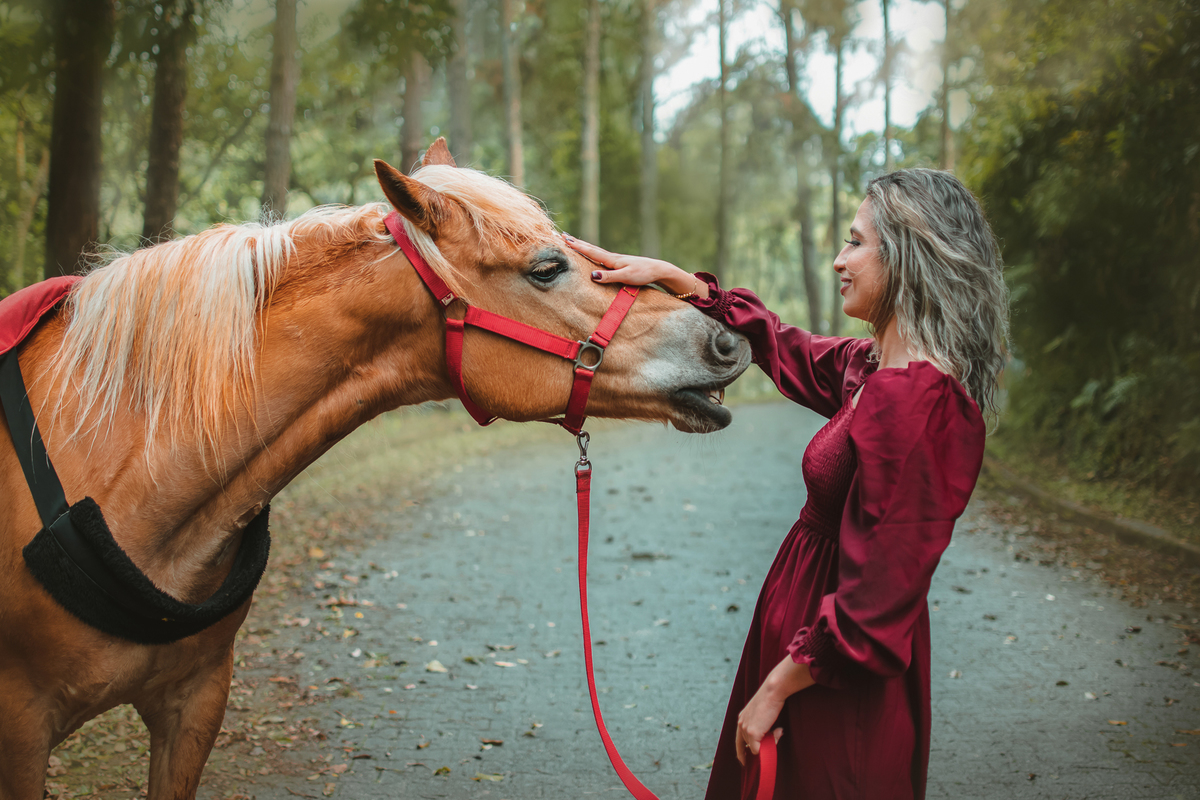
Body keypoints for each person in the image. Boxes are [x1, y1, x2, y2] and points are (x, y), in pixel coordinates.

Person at [564, 168, 1009, 800]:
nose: (838, 260)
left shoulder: (920, 408)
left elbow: (876, 609)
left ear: (908, 258)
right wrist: (680, 283)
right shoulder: (873, 371)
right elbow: (782, 345)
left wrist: (778, 687)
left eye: (856, 242)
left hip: (833, 692)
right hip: (802, 655)